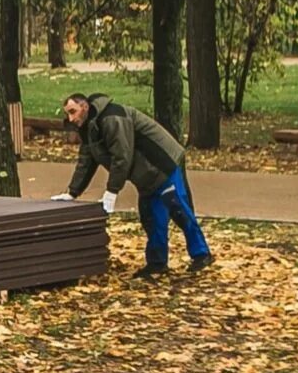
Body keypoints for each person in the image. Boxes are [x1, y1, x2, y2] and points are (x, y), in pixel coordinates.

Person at [52, 91, 214, 277]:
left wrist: (112, 191)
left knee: (179, 209)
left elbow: (122, 156)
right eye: (67, 114)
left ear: (85, 107)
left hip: (163, 164)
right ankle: (157, 263)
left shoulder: (113, 118)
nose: (70, 118)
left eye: (73, 111)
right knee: (151, 217)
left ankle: (202, 254)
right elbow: (86, 161)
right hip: (146, 174)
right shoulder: (89, 128)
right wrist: (73, 192)